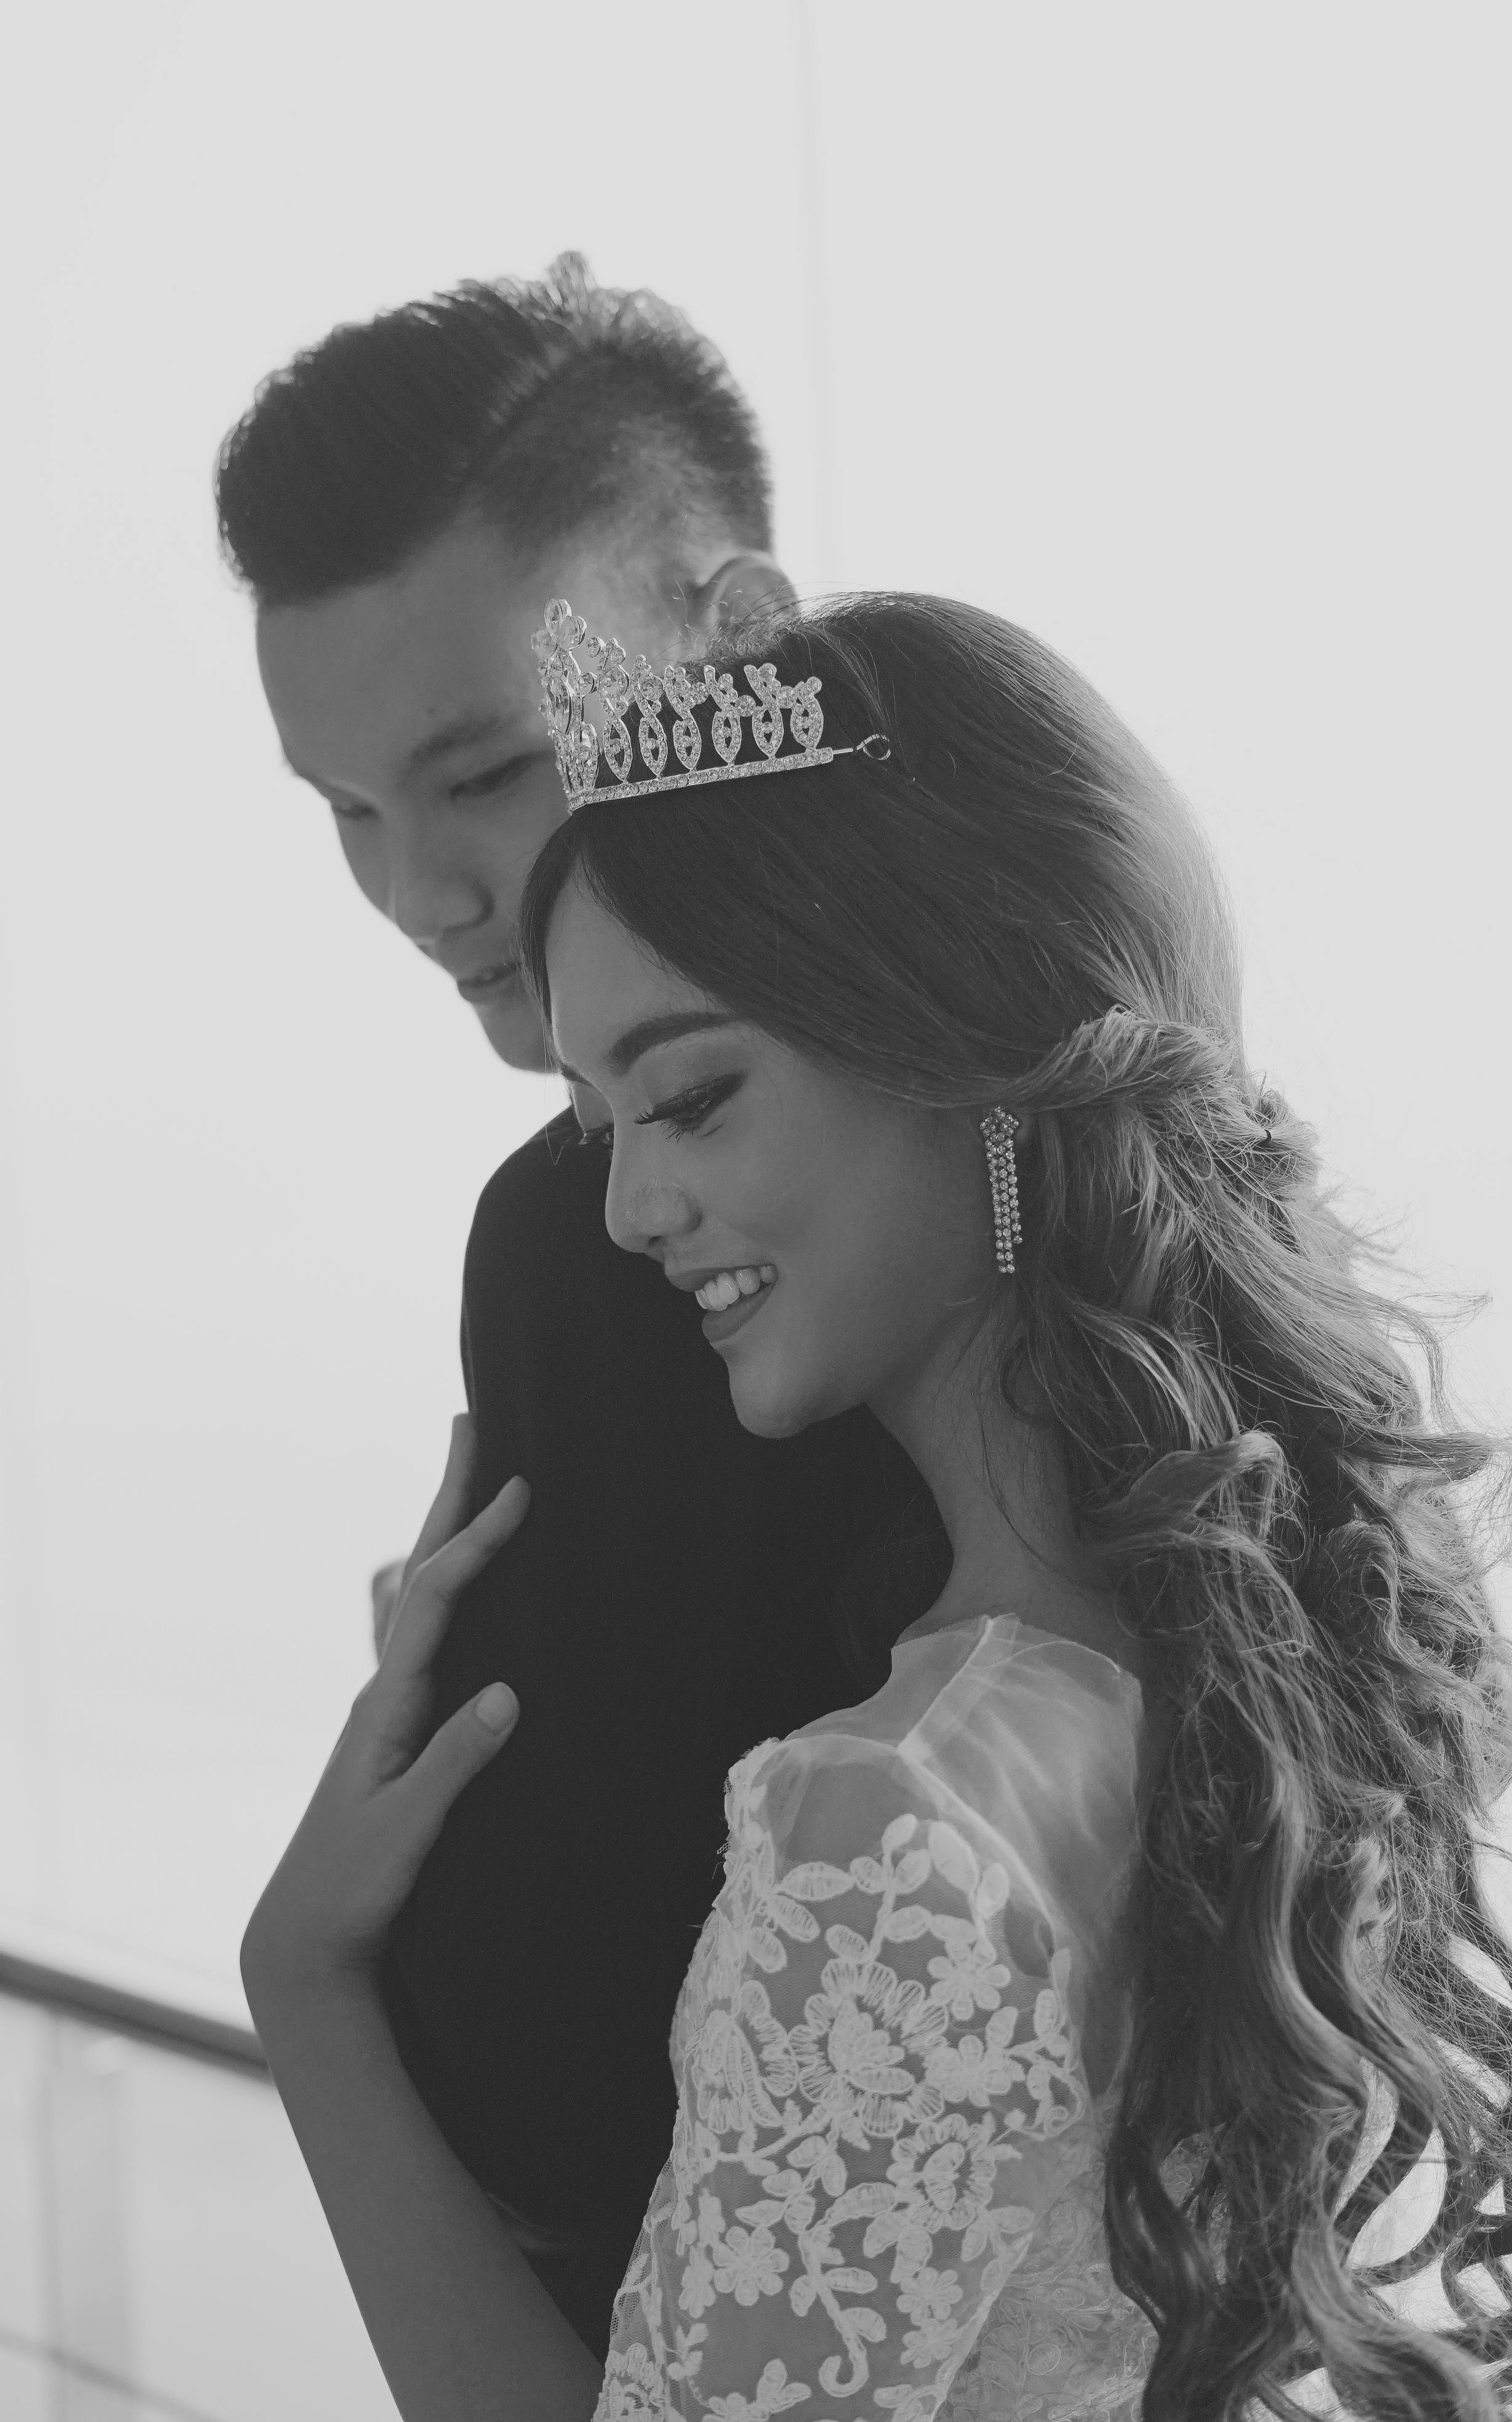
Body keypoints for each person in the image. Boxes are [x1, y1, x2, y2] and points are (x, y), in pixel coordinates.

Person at [241, 592, 1512, 2421]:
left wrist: (306, 1989)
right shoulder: (1233, 1679)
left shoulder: (894, 1825)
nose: (631, 1214)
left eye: (693, 1100)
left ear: (966, 1066)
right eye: (596, 1126)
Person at [214, 262, 946, 2349]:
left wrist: (320, 1982)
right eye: (348, 811)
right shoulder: (553, 1229)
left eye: (486, 772)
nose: (422, 893)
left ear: (739, 636)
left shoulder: (925, 1217)